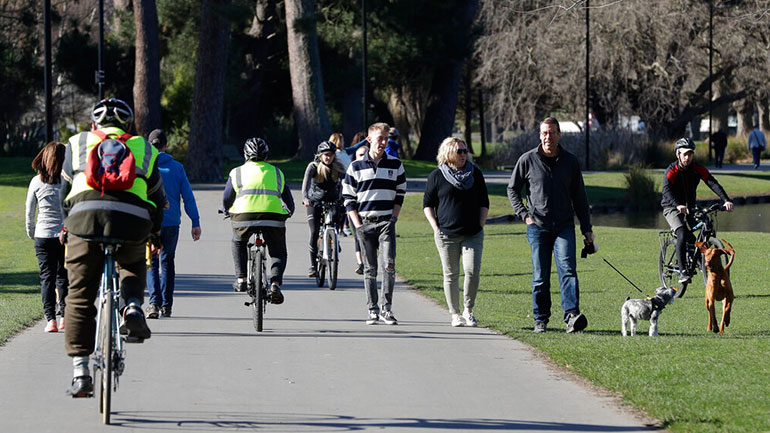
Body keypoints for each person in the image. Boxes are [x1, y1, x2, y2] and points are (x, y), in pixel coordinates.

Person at [60, 98, 166, 397]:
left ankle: (81, 373)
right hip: (132, 219)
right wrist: (155, 231)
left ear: (94, 124)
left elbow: (64, 190)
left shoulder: (78, 142)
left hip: (84, 218)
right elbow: (158, 197)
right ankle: (132, 306)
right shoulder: (144, 147)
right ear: (128, 125)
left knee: (79, 296)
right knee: (132, 265)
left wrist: (67, 226)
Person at [507, 116, 593, 334]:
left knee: (568, 271)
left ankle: (572, 317)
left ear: (559, 135)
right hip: (538, 226)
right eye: (544, 133)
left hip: (564, 226)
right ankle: (540, 319)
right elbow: (512, 189)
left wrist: (587, 229)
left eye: (552, 132)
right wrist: (524, 215)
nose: (548, 137)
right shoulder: (527, 160)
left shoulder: (570, 161)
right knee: (540, 276)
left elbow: (580, 197)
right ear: (540, 135)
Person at [342, 122, 406, 325]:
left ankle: (387, 309)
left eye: (386, 138)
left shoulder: (395, 164)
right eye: (380, 139)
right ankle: (372, 309)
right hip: (365, 223)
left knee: (389, 266)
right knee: (370, 269)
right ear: (369, 140)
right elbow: (348, 198)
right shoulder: (355, 166)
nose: (384, 142)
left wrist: (393, 218)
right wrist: (358, 225)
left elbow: (400, 194)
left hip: (387, 222)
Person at [423, 137, 489, 327]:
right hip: (446, 234)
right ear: (448, 153)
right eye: (459, 151)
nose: (463, 155)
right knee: (451, 274)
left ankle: (469, 310)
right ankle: (455, 313)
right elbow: (428, 204)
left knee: (472, 270)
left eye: (464, 151)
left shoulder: (475, 173)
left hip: (473, 233)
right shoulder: (437, 175)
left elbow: (484, 201)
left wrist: (481, 224)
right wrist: (436, 228)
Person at [223, 137, 294, 304]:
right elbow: (288, 199)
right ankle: (275, 283)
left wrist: (226, 210)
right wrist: (289, 211)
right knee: (278, 252)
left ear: (245, 154)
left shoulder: (236, 172)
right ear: (266, 155)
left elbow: (227, 197)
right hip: (273, 218)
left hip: (243, 217)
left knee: (238, 241)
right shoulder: (277, 172)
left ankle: (241, 279)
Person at [145, 129, 201, 319]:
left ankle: (153, 303)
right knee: (167, 261)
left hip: (150, 222)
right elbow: (188, 197)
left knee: (151, 262)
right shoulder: (177, 168)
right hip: (171, 223)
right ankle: (167, 306)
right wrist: (195, 221)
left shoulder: (145, 167)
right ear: (165, 145)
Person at [661, 138, 734, 284]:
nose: (687, 157)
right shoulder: (672, 170)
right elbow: (666, 190)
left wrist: (726, 200)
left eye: (690, 154)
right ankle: (682, 272)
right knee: (682, 232)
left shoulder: (696, 168)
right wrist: (677, 205)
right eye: (684, 154)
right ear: (678, 154)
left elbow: (712, 182)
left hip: (691, 207)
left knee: (701, 230)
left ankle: (700, 262)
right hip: (672, 207)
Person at [26, 141, 69, 333]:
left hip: (42, 234)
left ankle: (50, 319)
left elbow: (29, 211)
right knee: (63, 277)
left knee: (47, 278)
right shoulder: (68, 181)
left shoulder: (36, 181)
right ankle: (64, 318)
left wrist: (31, 232)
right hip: (64, 234)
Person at [302, 141, 345, 277]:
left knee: (339, 216)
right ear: (320, 155)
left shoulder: (337, 167)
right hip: (315, 203)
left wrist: (347, 197)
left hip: (332, 201)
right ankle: (313, 267)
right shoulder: (313, 167)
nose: (328, 157)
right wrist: (305, 198)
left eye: (331, 155)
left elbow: (346, 182)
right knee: (314, 232)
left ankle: (334, 238)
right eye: (326, 155)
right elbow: (306, 183)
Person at [350, 145, 369, 274]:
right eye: (360, 155)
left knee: (369, 238)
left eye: (364, 154)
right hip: (354, 210)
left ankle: (369, 261)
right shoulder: (352, 170)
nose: (362, 157)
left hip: (369, 210)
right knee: (358, 235)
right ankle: (360, 263)